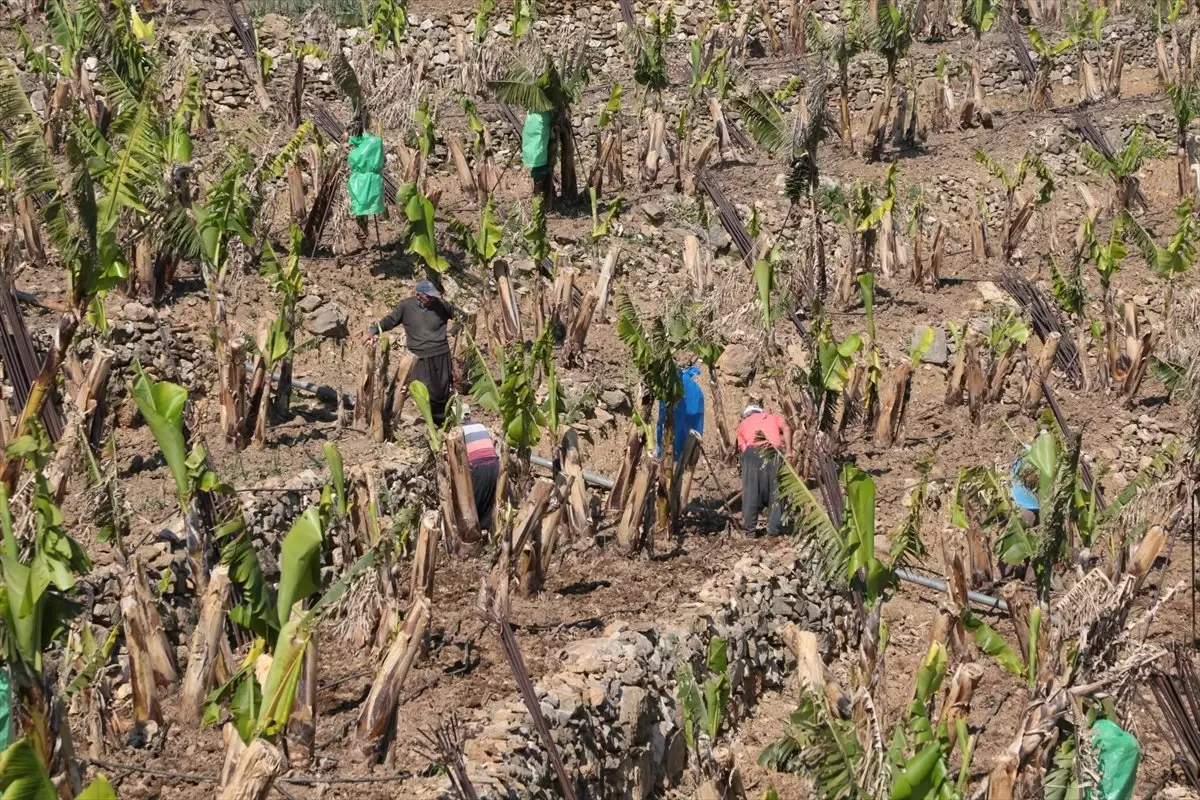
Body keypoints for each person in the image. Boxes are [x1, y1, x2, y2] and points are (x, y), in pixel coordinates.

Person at [362, 280, 462, 425]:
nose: (432, 299)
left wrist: (454, 330)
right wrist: (372, 331)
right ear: (418, 295)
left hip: (441, 353)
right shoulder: (406, 306)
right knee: (426, 390)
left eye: (433, 296)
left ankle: (443, 422)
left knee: (442, 389)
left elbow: (462, 317)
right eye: (429, 296)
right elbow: (389, 321)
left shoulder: (441, 305)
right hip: (419, 356)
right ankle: (433, 421)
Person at [736, 404, 792, 537]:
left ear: (747, 415)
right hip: (774, 451)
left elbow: (743, 448)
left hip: (752, 453)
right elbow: (787, 428)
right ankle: (773, 532)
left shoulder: (743, 424)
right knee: (777, 491)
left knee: (751, 492)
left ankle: (749, 532)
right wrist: (789, 452)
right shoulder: (772, 417)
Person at [656, 365, 705, 460]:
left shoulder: (670, 386)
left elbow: (662, 416)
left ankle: (668, 456)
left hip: (673, 437)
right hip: (690, 438)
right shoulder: (695, 389)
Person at [463, 416, 500, 532]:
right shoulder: (480, 426)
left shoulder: (458, 431)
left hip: (478, 467)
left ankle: (476, 530)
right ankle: (491, 527)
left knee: (476, 502)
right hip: (495, 465)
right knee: (493, 499)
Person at [522, 109, 553, 200]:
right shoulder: (542, 114)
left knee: (537, 162)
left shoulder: (532, 111)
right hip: (540, 124)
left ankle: (539, 195)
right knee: (539, 165)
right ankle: (541, 196)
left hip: (535, 123)